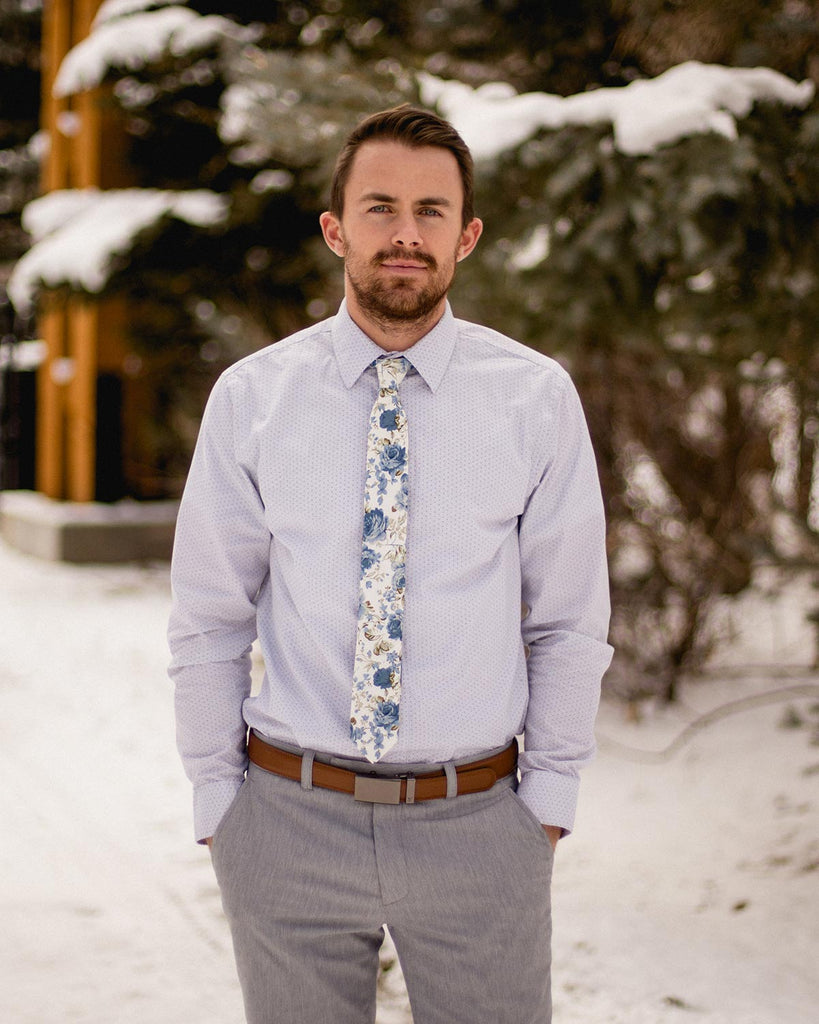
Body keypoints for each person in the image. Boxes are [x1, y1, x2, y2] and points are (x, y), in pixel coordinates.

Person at [168, 105, 612, 1024]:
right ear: (335, 228)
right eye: (378, 208)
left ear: (468, 234)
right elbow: (211, 614)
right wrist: (221, 799)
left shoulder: (533, 399)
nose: (405, 234)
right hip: (288, 819)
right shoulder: (254, 399)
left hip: (480, 822)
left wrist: (547, 802)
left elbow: (566, 618)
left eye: (431, 211)